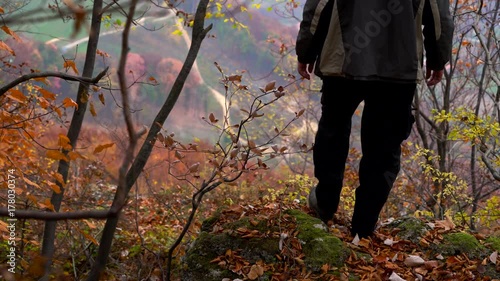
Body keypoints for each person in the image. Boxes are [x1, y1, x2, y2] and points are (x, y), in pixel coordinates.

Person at [295, 0, 454, 238]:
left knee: (333, 132)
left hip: (343, 59)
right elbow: (439, 15)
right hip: (399, 67)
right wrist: (437, 58)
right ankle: (363, 227)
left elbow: (318, 7)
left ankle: (324, 204)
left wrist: (306, 50)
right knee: (384, 148)